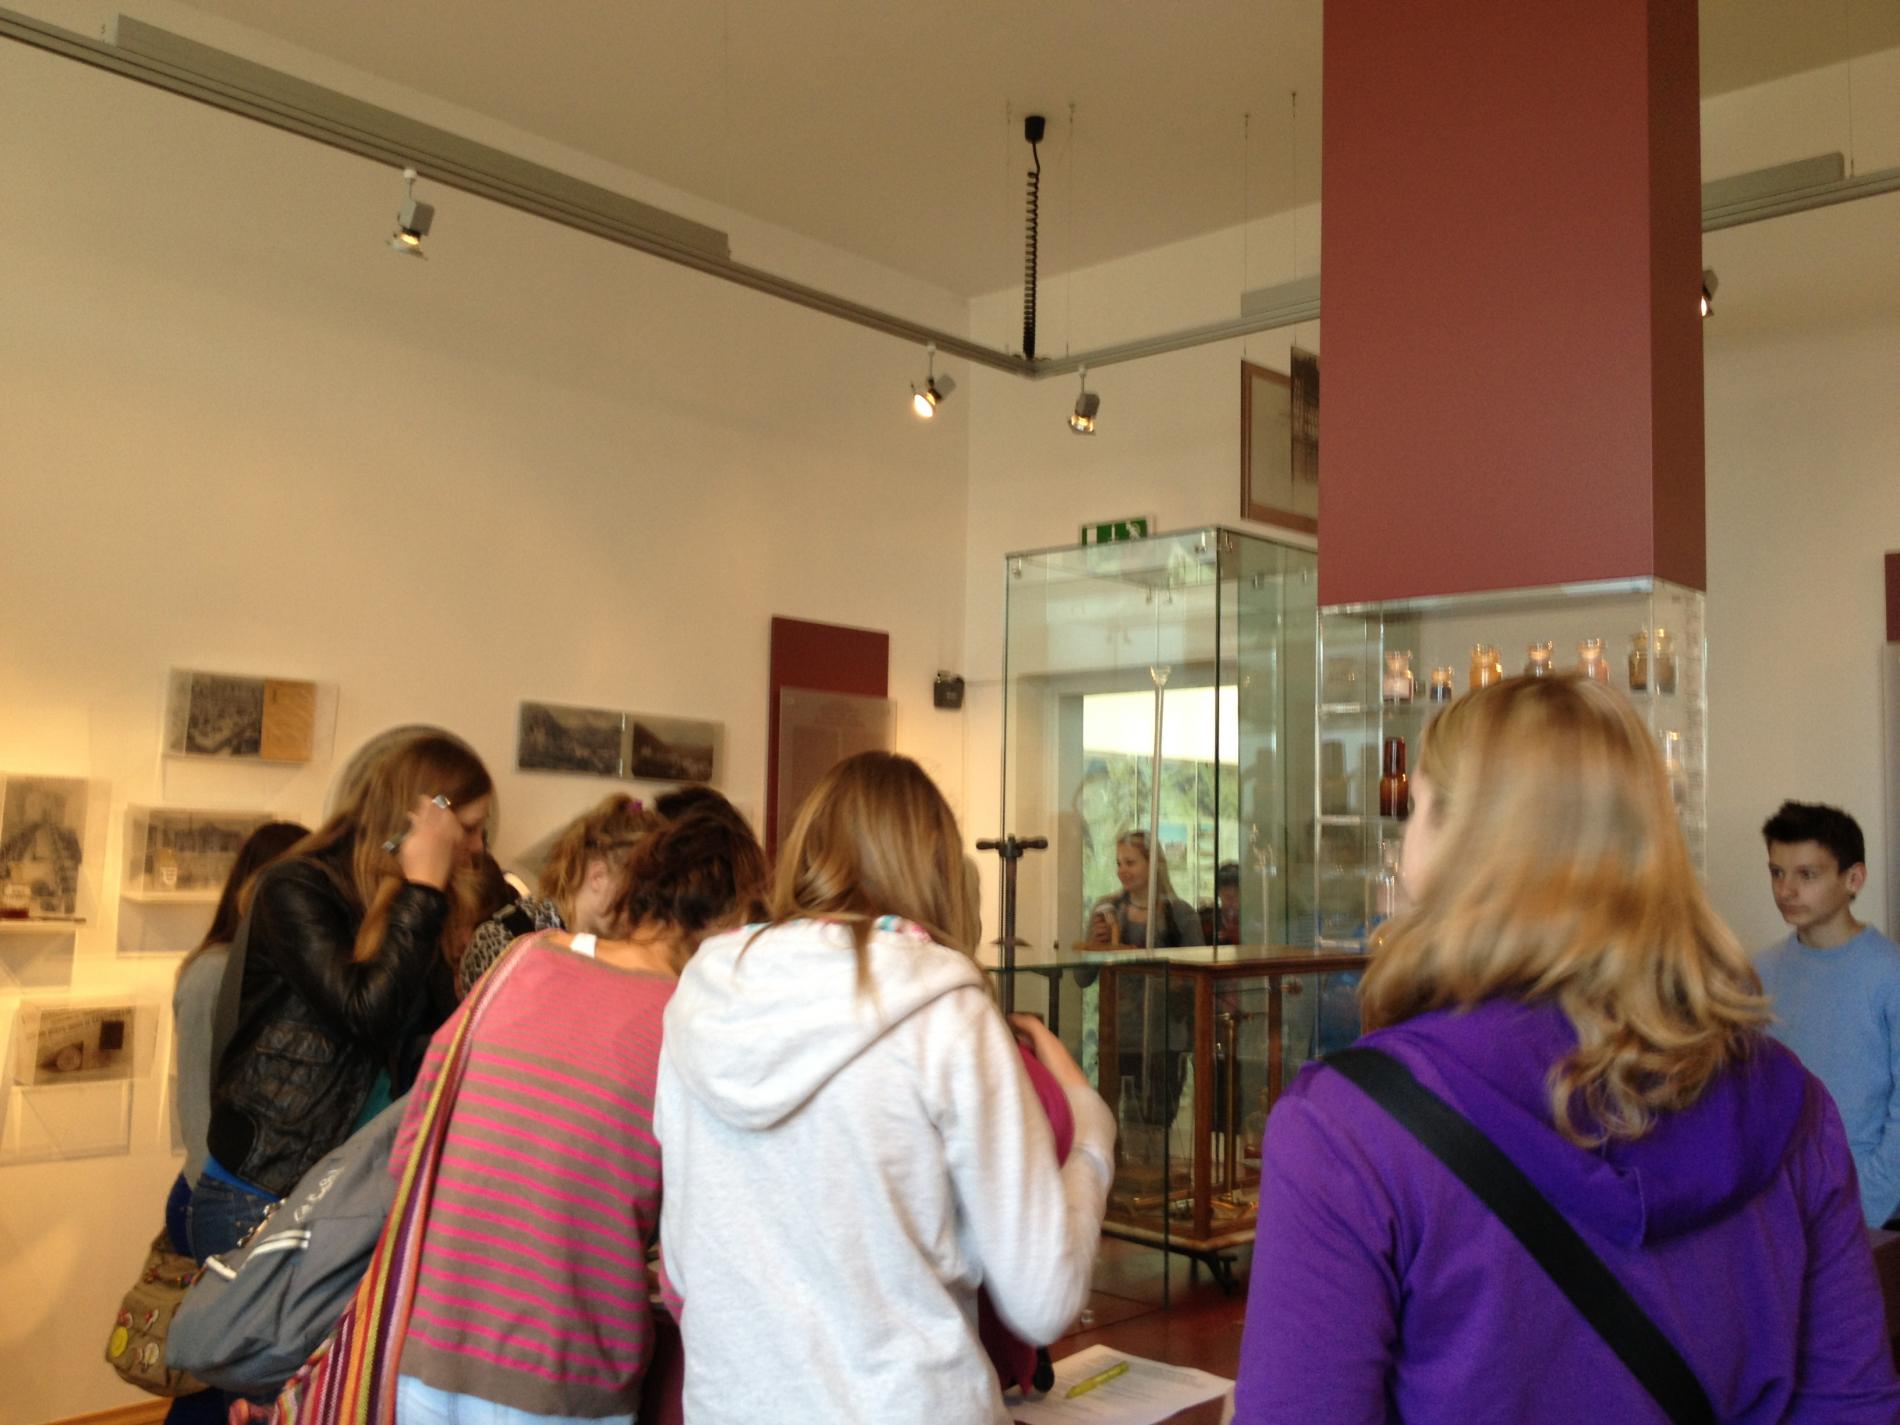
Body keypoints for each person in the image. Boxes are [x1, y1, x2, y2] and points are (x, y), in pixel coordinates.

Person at [1234, 677, 1900, 1423]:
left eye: (1417, 810)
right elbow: (1852, 1405)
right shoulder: (1792, 1103)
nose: (1404, 842)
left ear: (1461, 846)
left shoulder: (1348, 1128)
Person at [655, 751, 1114, 1425]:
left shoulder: (701, 998)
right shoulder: (945, 1008)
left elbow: (680, 1272)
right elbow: (1043, 1296)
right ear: (935, 866)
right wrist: (1093, 1141)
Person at [392, 796, 767, 1425]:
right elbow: (698, 1252)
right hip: (562, 1375)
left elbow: (410, 1149)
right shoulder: (685, 1025)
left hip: (425, 1352)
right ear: (731, 926)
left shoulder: (518, 962)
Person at [195, 733, 493, 1266]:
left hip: (357, 1194)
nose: (476, 848)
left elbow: (439, 1038)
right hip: (266, 1193)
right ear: (427, 816)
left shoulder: (423, 908)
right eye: (468, 829)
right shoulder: (297, 888)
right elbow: (366, 1012)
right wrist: (423, 889)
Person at [1756, 800, 1900, 1227]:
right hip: (1778, 1208)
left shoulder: (1889, 974)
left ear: (1853, 878)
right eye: (1777, 872)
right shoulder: (1759, 972)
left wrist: (1866, 1205)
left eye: (1807, 875)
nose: (1785, 890)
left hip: (1864, 1213)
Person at [454, 793, 658, 995]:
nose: (648, 914)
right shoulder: (503, 939)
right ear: (598, 877)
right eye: (641, 897)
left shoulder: (635, 951)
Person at [1085, 829, 1202, 949]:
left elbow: (1195, 959)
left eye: (1130, 863)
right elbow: (1084, 960)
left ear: (1153, 865)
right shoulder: (1105, 909)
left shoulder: (1181, 914)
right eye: (1119, 864)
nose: (1121, 871)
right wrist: (1096, 944)